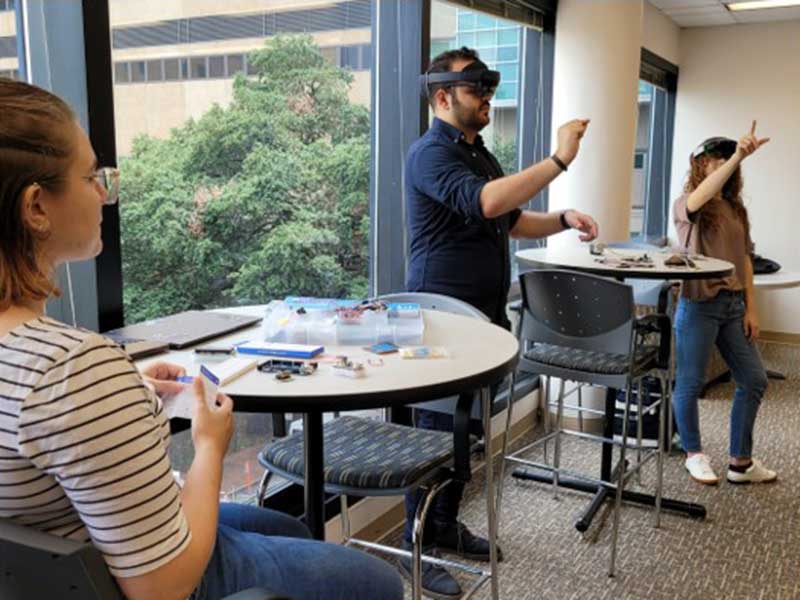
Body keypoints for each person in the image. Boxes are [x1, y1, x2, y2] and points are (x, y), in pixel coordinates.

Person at [0, 79, 403, 600]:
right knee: (377, 583)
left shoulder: (57, 371)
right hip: (151, 577)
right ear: (36, 207)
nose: (103, 192)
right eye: (90, 176)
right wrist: (210, 444)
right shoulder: (73, 371)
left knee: (288, 529)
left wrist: (126, 392)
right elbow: (162, 586)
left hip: (47, 572)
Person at [402, 47, 599, 598]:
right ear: (443, 97)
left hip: (482, 320)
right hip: (441, 321)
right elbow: (486, 203)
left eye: (489, 85)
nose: (487, 95)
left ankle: (442, 526)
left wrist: (560, 218)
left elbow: (509, 218)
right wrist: (558, 160)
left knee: (466, 436)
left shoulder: (477, 152)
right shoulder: (428, 155)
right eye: (475, 87)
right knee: (436, 439)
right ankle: (413, 548)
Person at [672, 121, 776, 487]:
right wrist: (737, 157)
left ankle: (740, 463)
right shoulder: (688, 204)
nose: (719, 164)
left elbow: (745, 259)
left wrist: (752, 307)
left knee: (754, 379)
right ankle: (694, 454)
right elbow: (704, 195)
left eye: (724, 159)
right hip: (699, 305)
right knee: (689, 382)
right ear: (699, 165)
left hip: (733, 307)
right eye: (712, 159)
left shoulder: (736, 209)